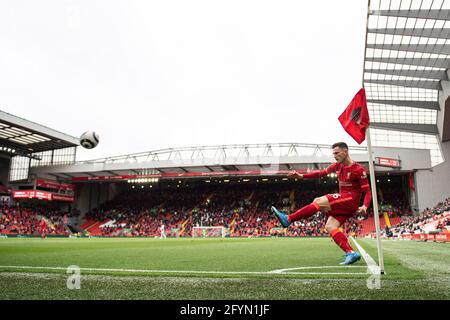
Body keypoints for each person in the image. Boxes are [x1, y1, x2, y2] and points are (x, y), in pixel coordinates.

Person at [271, 142, 372, 265]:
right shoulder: (337, 166)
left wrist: (365, 206)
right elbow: (321, 173)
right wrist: (301, 176)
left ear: (345, 152)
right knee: (330, 226)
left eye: (337, 153)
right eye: (333, 153)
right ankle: (351, 253)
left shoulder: (358, 170)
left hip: (350, 200)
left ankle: (288, 219)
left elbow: (367, 191)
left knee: (318, 201)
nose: (334, 156)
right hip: (344, 203)